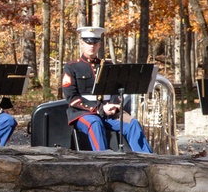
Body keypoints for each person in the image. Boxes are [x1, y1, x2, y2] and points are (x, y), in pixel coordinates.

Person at [62, 25, 152, 153]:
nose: (91, 46)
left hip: (110, 113)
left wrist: (115, 105)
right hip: (84, 113)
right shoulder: (72, 67)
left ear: (99, 44)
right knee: (95, 123)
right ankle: (103, 162)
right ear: (82, 43)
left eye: (95, 42)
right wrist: (98, 109)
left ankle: (148, 161)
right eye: (88, 42)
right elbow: (71, 98)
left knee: (133, 124)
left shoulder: (108, 66)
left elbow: (116, 90)